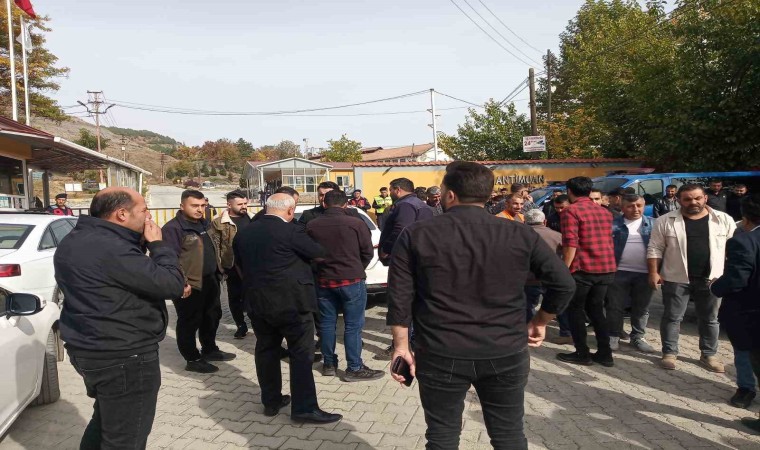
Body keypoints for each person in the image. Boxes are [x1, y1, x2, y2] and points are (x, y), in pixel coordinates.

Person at [387, 161, 575, 449]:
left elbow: (400, 295)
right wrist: (540, 322)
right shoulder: (520, 233)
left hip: (440, 350)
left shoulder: (416, 234)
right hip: (505, 349)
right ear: (487, 195)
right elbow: (564, 283)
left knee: (442, 436)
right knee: (509, 435)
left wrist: (401, 346)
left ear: (450, 194)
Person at [55, 187, 185, 449]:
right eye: (144, 210)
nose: (149, 217)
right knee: (126, 439)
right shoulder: (113, 248)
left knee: (105, 421)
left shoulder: (76, 239)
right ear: (122, 214)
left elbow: (124, 277)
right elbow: (171, 285)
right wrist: (158, 245)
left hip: (90, 349)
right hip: (123, 357)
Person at [233, 193, 342, 423]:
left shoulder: (244, 233)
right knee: (301, 354)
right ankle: (304, 408)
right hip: (292, 304)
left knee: (266, 350)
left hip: (258, 302)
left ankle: (271, 401)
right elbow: (319, 253)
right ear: (291, 211)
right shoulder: (291, 231)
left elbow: (240, 265)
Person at [647, 183, 736, 372]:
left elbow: (734, 249)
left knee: (710, 319)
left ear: (705, 198)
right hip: (675, 277)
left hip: (713, 279)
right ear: (679, 201)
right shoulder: (665, 220)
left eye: (697, 198)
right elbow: (655, 248)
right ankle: (669, 353)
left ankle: (708, 355)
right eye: (687, 199)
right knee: (672, 317)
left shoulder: (723, 219)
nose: (693, 202)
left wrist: (730, 275)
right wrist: (653, 272)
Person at [306, 190, 383, 382]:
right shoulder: (356, 223)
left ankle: (329, 364)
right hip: (351, 279)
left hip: (324, 280)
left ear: (324, 203)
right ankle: (354, 367)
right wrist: (356, 268)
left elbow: (309, 253)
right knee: (353, 325)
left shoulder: (312, 225)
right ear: (346, 204)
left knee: (327, 324)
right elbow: (367, 252)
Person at [163, 190, 234, 374]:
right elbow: (170, 259)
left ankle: (209, 349)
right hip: (190, 284)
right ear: (182, 206)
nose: (200, 209)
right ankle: (192, 359)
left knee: (212, 316)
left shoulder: (205, 224)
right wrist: (182, 282)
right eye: (194, 205)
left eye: (203, 205)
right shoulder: (173, 229)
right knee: (189, 321)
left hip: (210, 279)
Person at [710, 194, 760, 430]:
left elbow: (736, 280)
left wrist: (715, 286)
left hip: (751, 316)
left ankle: (747, 389)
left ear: (745, 217)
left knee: (749, 355)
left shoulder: (744, 241)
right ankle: (745, 388)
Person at [556, 176, 617, 368]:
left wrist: (564, 269)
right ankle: (605, 353)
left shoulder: (570, 211)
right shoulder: (604, 211)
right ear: (590, 191)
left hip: (583, 269)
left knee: (575, 310)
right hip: (605, 267)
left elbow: (570, 243)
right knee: (596, 310)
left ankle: (582, 353)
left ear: (569, 191)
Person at [606, 194, 656, 353]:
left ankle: (638, 336)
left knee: (641, 307)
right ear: (622, 207)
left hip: (645, 273)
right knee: (615, 306)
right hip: (618, 272)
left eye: (639, 206)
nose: (635, 209)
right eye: (630, 206)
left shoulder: (654, 224)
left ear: (644, 206)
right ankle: (613, 335)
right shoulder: (612, 224)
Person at [209, 190, 253, 339]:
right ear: (229, 204)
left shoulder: (253, 219)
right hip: (232, 266)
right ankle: (241, 325)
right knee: (235, 298)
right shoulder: (218, 223)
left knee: (254, 296)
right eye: (240, 204)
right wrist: (220, 267)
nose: (244, 206)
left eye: (245, 203)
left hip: (252, 265)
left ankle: (257, 322)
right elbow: (216, 246)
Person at [378, 177, 434, 266]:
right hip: (420, 255)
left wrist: (386, 250)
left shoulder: (405, 205)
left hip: (404, 258)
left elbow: (401, 229)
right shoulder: (422, 205)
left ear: (398, 190)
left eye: (391, 190)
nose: (390, 193)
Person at [524, 209, 563, 322]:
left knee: (528, 307)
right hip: (552, 277)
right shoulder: (557, 236)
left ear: (525, 222)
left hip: (528, 279)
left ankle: (530, 328)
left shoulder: (518, 235)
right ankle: (565, 330)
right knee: (557, 307)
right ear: (545, 221)